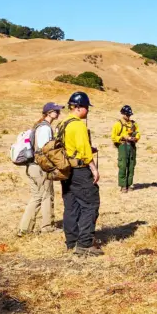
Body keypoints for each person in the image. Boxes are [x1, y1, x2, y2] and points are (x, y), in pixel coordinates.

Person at [60, 91, 102, 257]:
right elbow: (84, 151)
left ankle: (72, 241)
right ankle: (84, 244)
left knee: (71, 206)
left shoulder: (62, 123)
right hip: (79, 171)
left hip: (66, 170)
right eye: (86, 107)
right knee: (90, 203)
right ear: (78, 107)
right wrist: (94, 169)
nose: (88, 111)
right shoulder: (78, 125)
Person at [18, 102, 63, 235]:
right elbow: (45, 150)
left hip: (32, 167)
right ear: (49, 112)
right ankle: (47, 226)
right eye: (56, 111)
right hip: (40, 168)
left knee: (37, 196)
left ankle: (24, 229)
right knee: (46, 196)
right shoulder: (45, 128)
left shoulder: (40, 126)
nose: (58, 113)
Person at [110, 105, 141, 193]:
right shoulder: (118, 124)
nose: (128, 116)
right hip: (123, 146)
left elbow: (138, 133)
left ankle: (129, 184)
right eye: (126, 115)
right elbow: (113, 137)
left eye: (129, 115)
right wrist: (123, 137)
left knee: (131, 165)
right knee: (123, 166)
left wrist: (136, 138)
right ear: (122, 114)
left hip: (132, 146)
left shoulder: (134, 124)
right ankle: (123, 185)